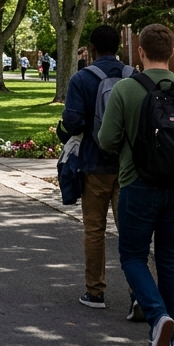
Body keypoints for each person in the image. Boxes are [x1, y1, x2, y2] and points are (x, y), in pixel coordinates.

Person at [98, 24, 174, 346]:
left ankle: (156, 314)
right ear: (172, 52)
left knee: (133, 255)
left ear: (141, 51)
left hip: (138, 184)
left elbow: (107, 140)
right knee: (169, 258)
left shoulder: (125, 90)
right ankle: (169, 333)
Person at [60, 25, 132, 310]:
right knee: (130, 231)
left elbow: (73, 121)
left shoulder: (82, 79)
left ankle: (95, 291)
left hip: (94, 164)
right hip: (128, 166)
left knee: (94, 229)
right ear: (119, 47)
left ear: (91, 48)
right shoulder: (132, 77)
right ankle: (137, 291)